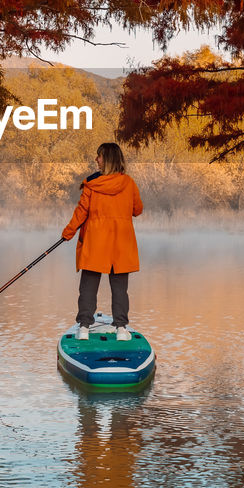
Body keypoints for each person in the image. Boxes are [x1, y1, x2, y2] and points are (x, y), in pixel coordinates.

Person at [61, 142, 143, 341]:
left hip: (96, 242)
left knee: (88, 286)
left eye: (99, 156)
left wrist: (68, 232)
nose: (96, 159)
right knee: (120, 288)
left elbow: (81, 213)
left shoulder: (92, 184)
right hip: (121, 243)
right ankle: (121, 329)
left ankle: (84, 328)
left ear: (107, 160)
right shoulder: (129, 183)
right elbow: (137, 209)